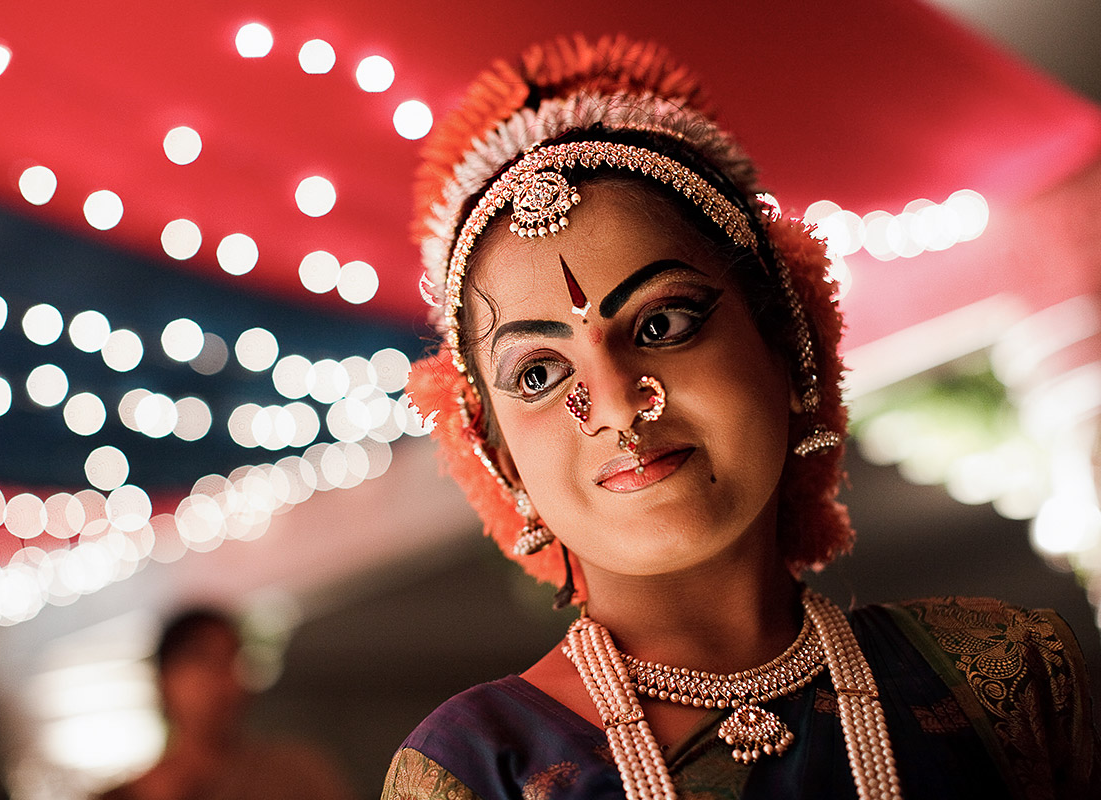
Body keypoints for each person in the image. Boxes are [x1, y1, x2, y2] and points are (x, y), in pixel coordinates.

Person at [381, 35, 1100, 800]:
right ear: (497, 457)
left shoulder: (1002, 680)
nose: (618, 404)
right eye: (539, 374)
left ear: (789, 348)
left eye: (663, 324)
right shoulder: (477, 771)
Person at [99, 608, 354, 800]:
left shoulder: (297, 774)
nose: (223, 681)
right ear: (165, 679)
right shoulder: (129, 795)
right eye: (203, 661)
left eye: (230, 661)